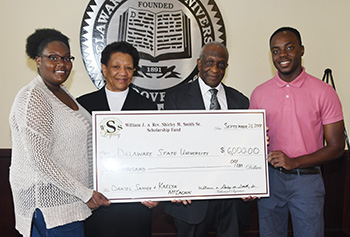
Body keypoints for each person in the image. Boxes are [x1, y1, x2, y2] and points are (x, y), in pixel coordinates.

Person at [9, 28, 110, 237]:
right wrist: (85, 194)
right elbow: (39, 158)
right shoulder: (34, 97)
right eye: (53, 57)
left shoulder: (61, 93)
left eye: (66, 58)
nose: (62, 64)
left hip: (69, 202)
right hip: (51, 206)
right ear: (38, 60)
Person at [250, 27, 345, 236]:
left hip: (307, 181)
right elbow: (251, 144)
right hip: (270, 182)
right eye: (276, 50)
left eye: (289, 48)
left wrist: (295, 162)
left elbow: (337, 147)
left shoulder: (324, 92)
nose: (282, 55)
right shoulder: (259, 94)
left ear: (301, 50)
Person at [163, 42, 250, 237]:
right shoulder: (176, 98)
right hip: (192, 199)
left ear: (226, 67)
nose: (215, 69)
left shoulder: (241, 101)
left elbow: (245, 148)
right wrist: (174, 185)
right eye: (210, 62)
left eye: (221, 64)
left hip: (233, 199)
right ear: (199, 63)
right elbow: (169, 146)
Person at [77, 41, 158, 236]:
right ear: (104, 69)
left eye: (129, 68)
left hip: (136, 206)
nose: (123, 72)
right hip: (96, 205)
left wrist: (154, 190)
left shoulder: (148, 107)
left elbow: (154, 155)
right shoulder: (83, 105)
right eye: (116, 67)